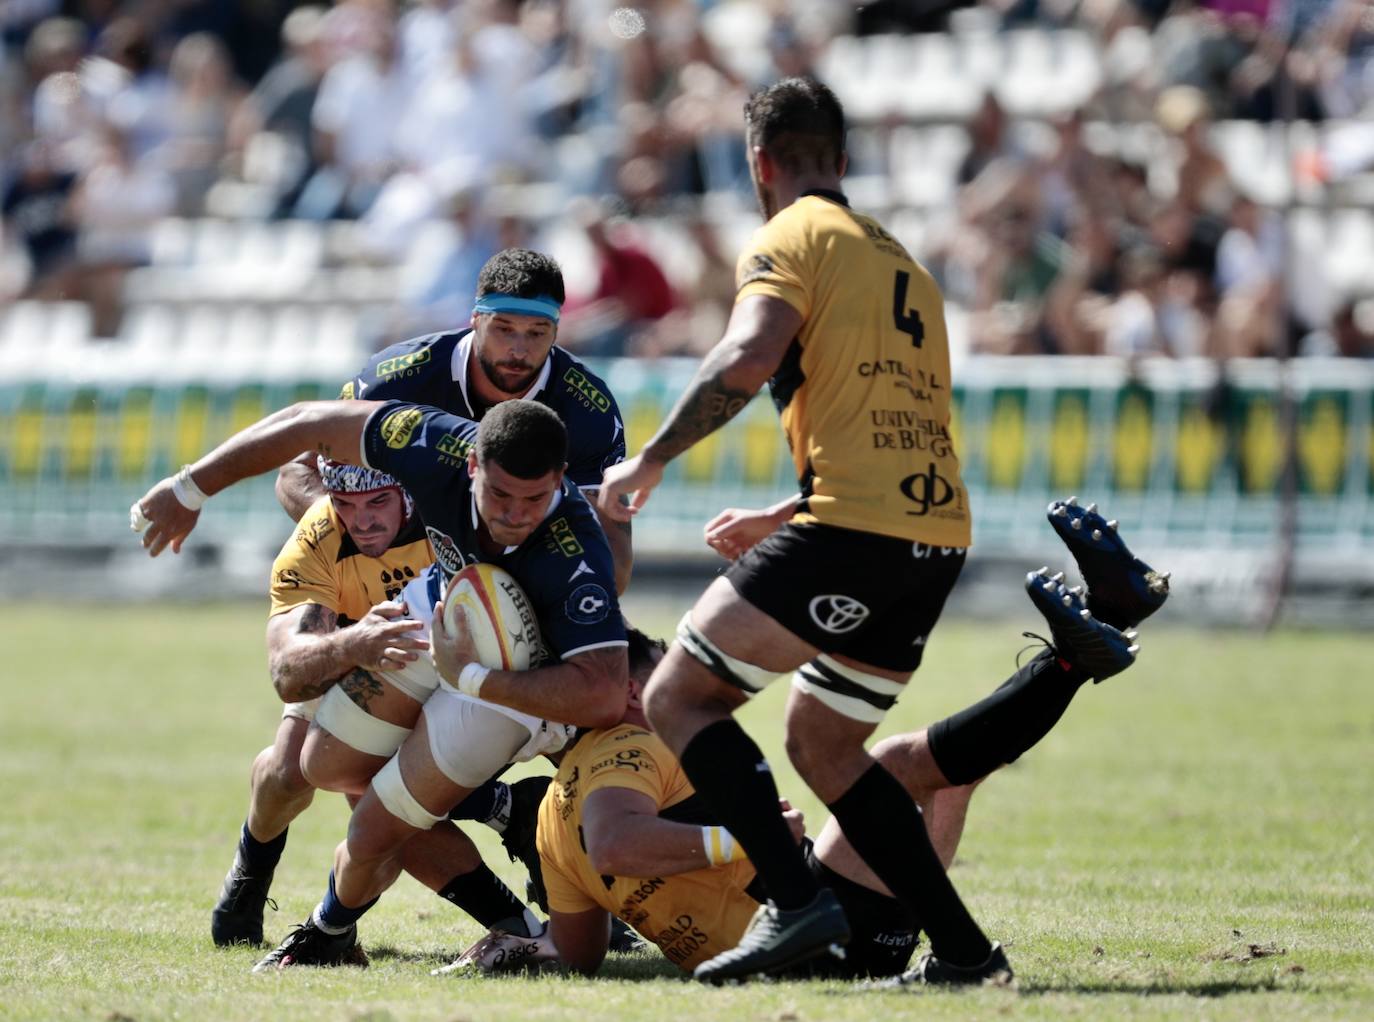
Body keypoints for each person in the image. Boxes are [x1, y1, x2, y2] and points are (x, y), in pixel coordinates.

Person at [596, 77, 1146, 984]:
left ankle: (796, 901)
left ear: (759, 163)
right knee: (824, 740)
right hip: (928, 535)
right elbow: (888, 414)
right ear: (843, 163)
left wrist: (648, 461)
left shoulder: (787, 236)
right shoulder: (907, 267)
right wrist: (790, 509)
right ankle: (966, 955)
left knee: (677, 697)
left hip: (856, 529)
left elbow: (748, 353)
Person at [543, 500, 1167, 982]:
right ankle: (1081, 649)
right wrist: (745, 838)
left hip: (832, 930)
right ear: (630, 693)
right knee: (896, 766)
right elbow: (617, 844)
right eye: (665, 668)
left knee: (936, 774)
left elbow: (579, 952)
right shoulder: (639, 743)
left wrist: (525, 942)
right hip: (812, 941)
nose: (679, 681)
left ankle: (1091, 635)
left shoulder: (551, 815)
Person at [132, 398, 628, 971]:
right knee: (310, 768)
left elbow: (602, 688)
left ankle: (344, 928)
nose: (514, 515)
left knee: (376, 817)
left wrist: (474, 676)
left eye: (533, 500)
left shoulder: (574, 553)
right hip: (395, 627)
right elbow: (288, 673)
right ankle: (503, 811)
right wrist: (191, 488)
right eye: (499, 495)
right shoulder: (401, 472)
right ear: (469, 467)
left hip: (505, 657)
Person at [211, 458, 545, 952]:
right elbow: (288, 674)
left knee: (382, 803)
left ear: (408, 493)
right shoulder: (317, 537)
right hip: (354, 650)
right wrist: (354, 644)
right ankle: (252, 872)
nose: (362, 521)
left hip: (454, 657)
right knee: (291, 773)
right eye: (346, 505)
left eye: (377, 503)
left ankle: (549, 908)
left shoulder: (454, 507)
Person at [276, 247, 632, 594]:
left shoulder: (589, 412)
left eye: (536, 332)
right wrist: (356, 536)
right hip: (389, 581)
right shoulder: (394, 381)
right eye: (503, 329)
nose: (519, 350)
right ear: (475, 320)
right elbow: (296, 472)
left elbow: (613, 568)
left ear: (557, 331)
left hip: (514, 585)